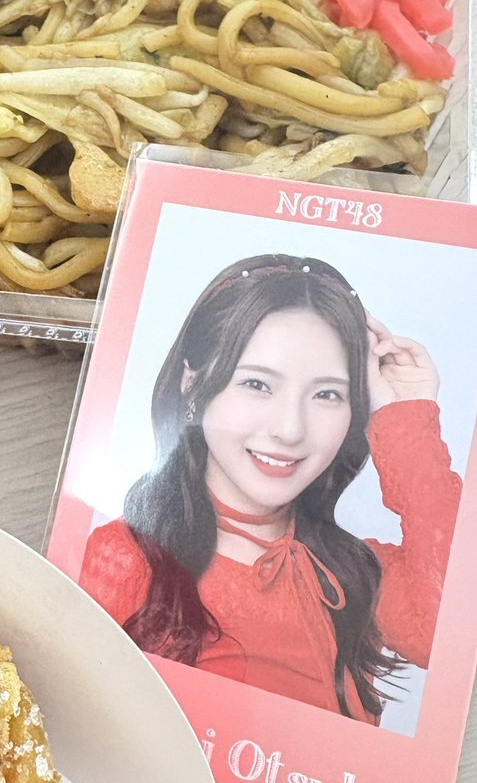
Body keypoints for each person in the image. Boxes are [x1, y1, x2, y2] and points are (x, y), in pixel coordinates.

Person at [78, 254, 463, 724]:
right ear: (193, 382)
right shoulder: (127, 558)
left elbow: (453, 640)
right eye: (258, 384)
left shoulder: (356, 574)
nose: (289, 429)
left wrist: (406, 416)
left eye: (327, 394)